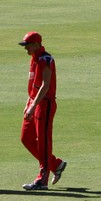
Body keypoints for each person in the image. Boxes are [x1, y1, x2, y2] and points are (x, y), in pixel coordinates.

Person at [19, 32, 67, 190]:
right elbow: (33, 86)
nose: (25, 48)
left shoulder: (44, 59)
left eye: (28, 45)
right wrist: (29, 103)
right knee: (26, 137)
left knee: (44, 142)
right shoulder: (34, 59)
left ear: (37, 44)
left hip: (44, 105)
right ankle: (55, 164)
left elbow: (45, 86)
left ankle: (42, 179)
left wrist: (33, 106)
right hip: (34, 103)